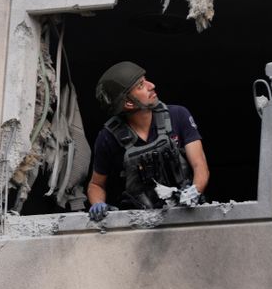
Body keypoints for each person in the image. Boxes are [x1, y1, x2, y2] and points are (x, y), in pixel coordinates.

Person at [87, 61, 209, 221]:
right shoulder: (108, 138)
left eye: (146, 80)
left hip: (185, 214)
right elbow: (96, 185)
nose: (151, 85)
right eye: (140, 85)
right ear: (128, 103)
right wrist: (97, 204)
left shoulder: (177, 116)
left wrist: (194, 191)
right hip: (138, 223)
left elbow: (200, 166)